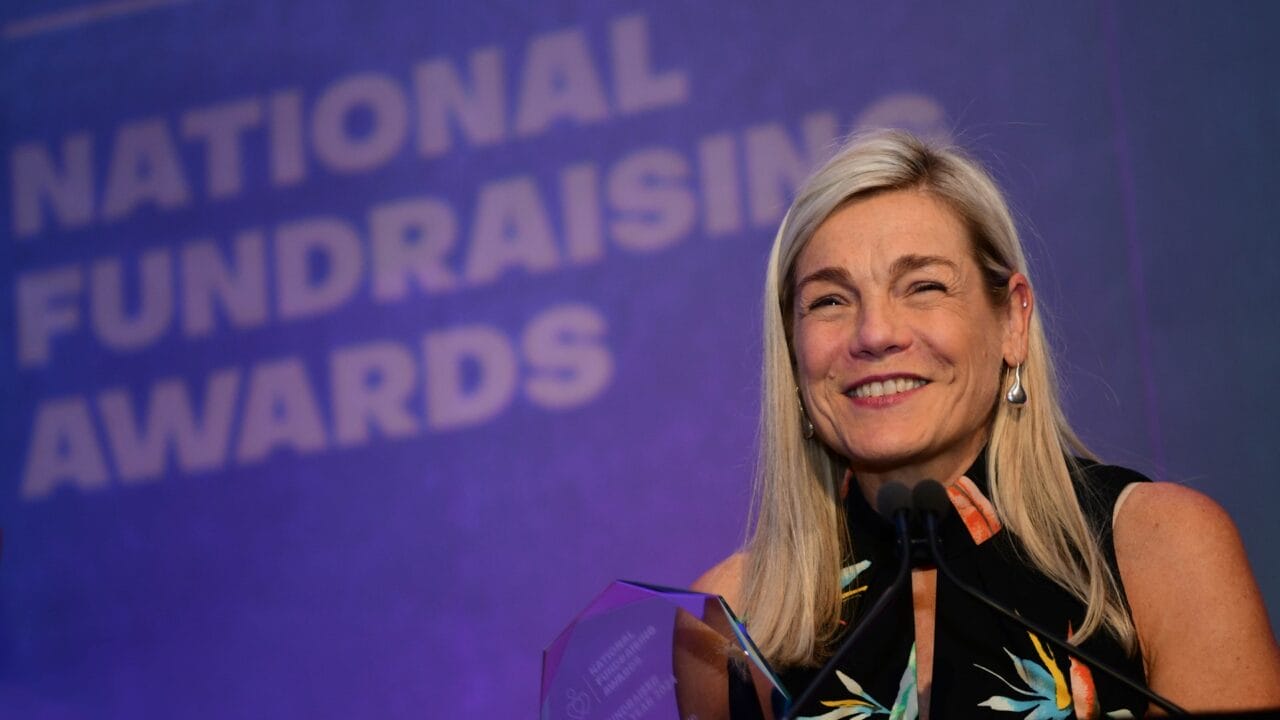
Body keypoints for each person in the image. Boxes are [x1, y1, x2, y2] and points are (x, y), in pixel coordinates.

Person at [693, 130, 1280, 717]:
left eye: (923, 287)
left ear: (1012, 320)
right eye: (828, 301)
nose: (874, 334)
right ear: (792, 350)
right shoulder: (730, 618)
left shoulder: (1163, 550)